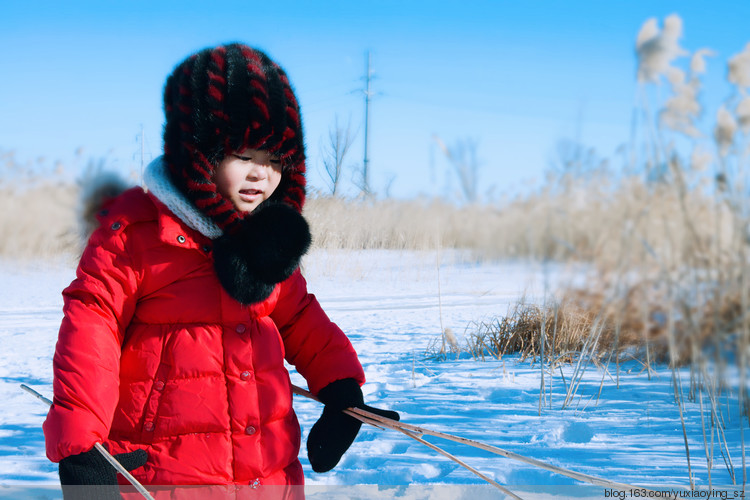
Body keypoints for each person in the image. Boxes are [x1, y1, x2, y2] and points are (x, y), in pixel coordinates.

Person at [43, 43, 399, 496]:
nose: (261, 176)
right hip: (167, 475)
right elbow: (92, 326)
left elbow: (298, 315)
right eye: (245, 157)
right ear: (199, 152)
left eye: (274, 162)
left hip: (267, 473)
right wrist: (81, 445)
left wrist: (342, 387)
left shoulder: (265, 239)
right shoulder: (136, 231)